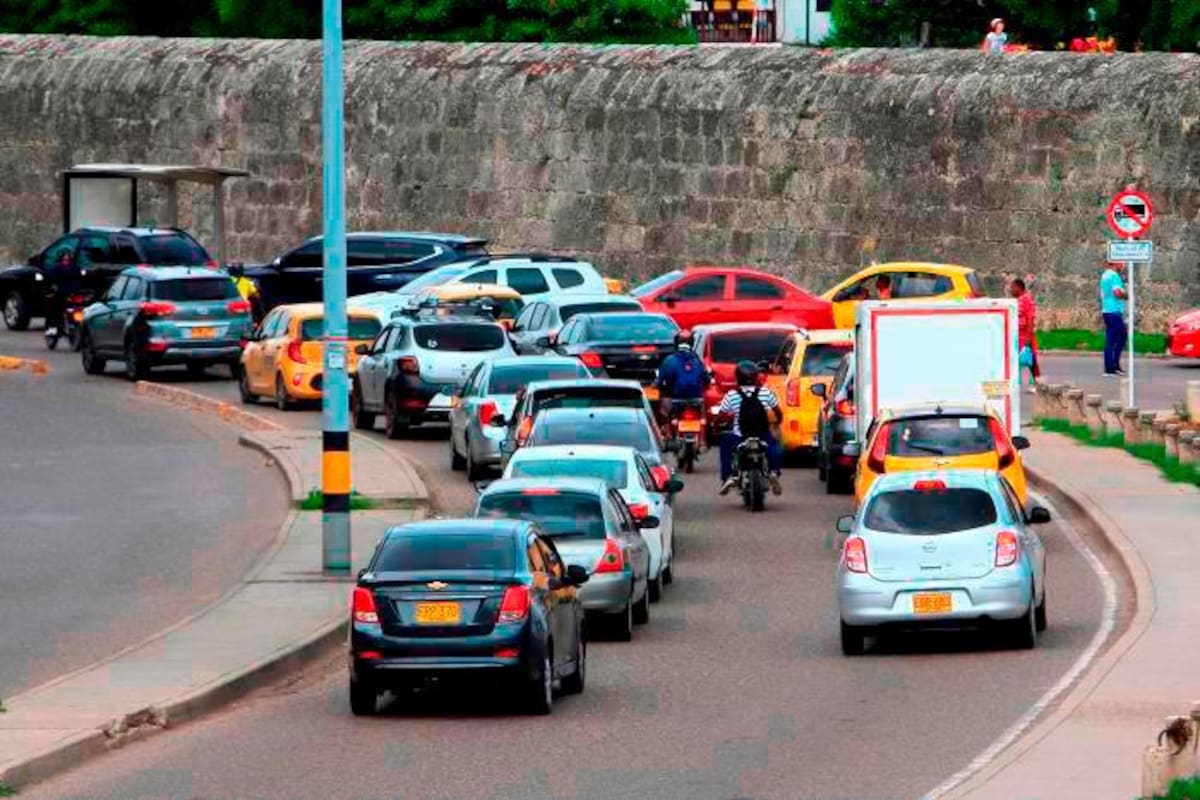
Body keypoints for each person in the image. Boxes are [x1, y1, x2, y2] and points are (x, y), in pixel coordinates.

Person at [717, 360, 783, 496]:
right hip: (762, 434)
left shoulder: (732, 395)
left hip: (740, 436)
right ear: (756, 377)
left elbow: (721, 416)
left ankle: (728, 476)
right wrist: (777, 422)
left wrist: (715, 425)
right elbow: (778, 412)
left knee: (725, 444)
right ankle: (774, 471)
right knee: (774, 444)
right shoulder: (765, 393)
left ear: (738, 377)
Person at [655, 330, 711, 420]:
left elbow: (659, 382)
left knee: (663, 414)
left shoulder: (669, 361)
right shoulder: (697, 361)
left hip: (675, 402)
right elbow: (707, 380)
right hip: (697, 401)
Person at [1100, 261, 1128, 376]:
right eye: (1122, 263)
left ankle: (1110, 368)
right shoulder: (1114, 276)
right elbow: (1117, 293)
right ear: (1116, 263)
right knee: (1122, 336)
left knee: (1110, 339)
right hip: (1114, 311)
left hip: (1106, 310)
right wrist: (1126, 295)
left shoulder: (1105, 275)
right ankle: (1114, 365)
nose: (1124, 265)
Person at [1011, 277, 1040, 387]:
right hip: (1017, 336)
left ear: (1019, 287)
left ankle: (1037, 383)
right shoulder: (1017, 301)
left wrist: (1028, 338)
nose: (1011, 290)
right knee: (1016, 361)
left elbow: (1030, 319)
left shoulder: (1027, 300)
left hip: (1025, 336)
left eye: (1013, 287)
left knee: (1030, 360)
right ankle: (1015, 383)